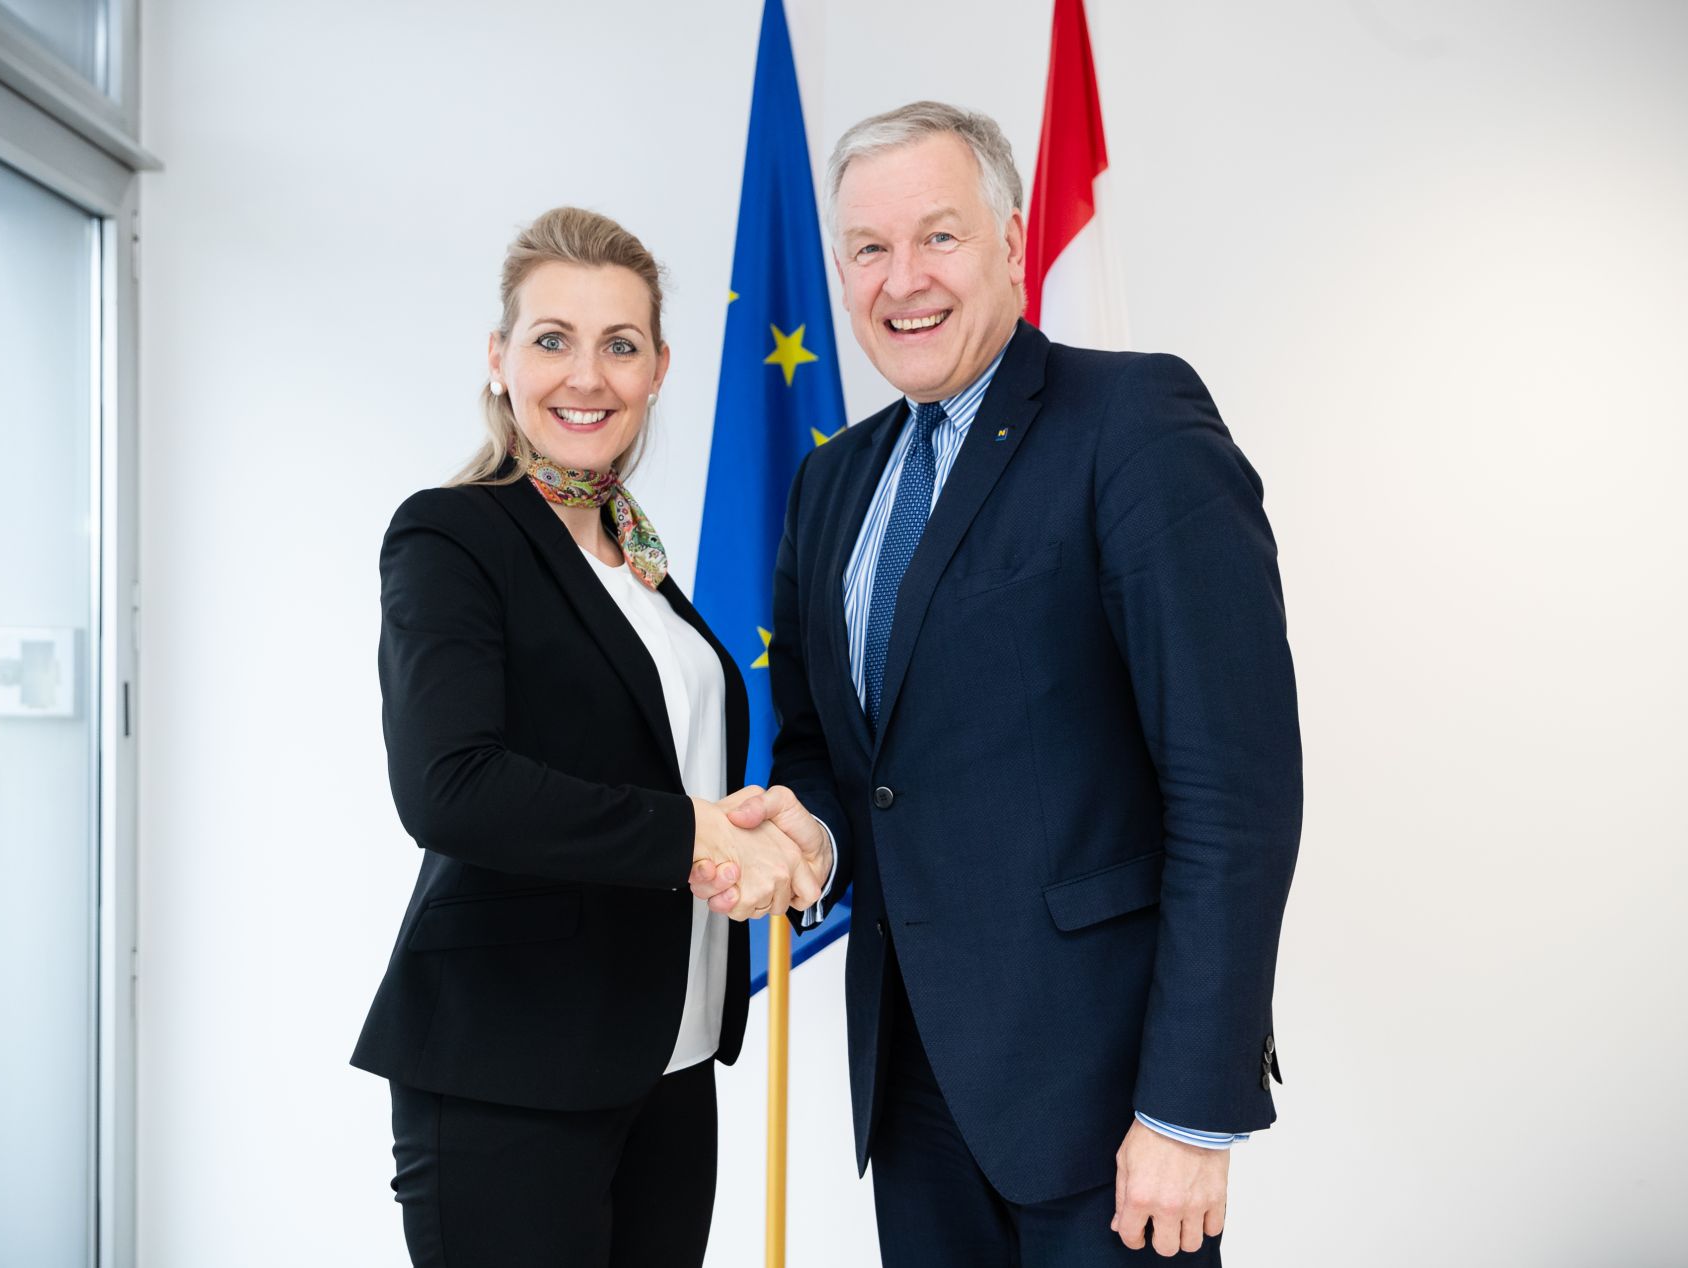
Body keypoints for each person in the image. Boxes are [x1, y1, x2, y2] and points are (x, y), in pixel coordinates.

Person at [700, 102, 1303, 1264]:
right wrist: (810, 842)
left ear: (1012, 242)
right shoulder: (831, 482)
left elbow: (1234, 786)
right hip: (911, 1086)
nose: (901, 279)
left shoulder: (1132, 423)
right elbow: (829, 747)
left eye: (938, 235)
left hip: (1106, 1102)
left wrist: (1187, 1105)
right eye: (868, 249)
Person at [351, 206, 829, 1268]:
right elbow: (449, 786)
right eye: (551, 338)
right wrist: (700, 834)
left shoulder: (640, 561)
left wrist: (766, 826)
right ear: (500, 356)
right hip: (510, 1065)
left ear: (658, 366)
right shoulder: (454, 532)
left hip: (671, 1054)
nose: (587, 375)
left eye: (619, 344)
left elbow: (665, 765)